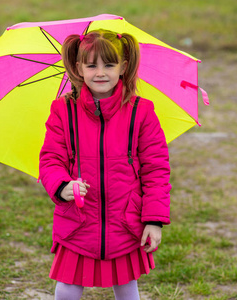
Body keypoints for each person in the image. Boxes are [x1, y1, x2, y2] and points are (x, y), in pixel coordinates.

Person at [39, 29, 171, 300]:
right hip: (77, 219)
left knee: (126, 288)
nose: (100, 72)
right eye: (91, 65)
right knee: (67, 289)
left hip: (125, 220)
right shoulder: (63, 110)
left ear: (123, 67)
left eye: (109, 65)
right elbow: (50, 158)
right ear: (78, 68)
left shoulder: (141, 112)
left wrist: (154, 220)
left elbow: (156, 169)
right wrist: (62, 185)